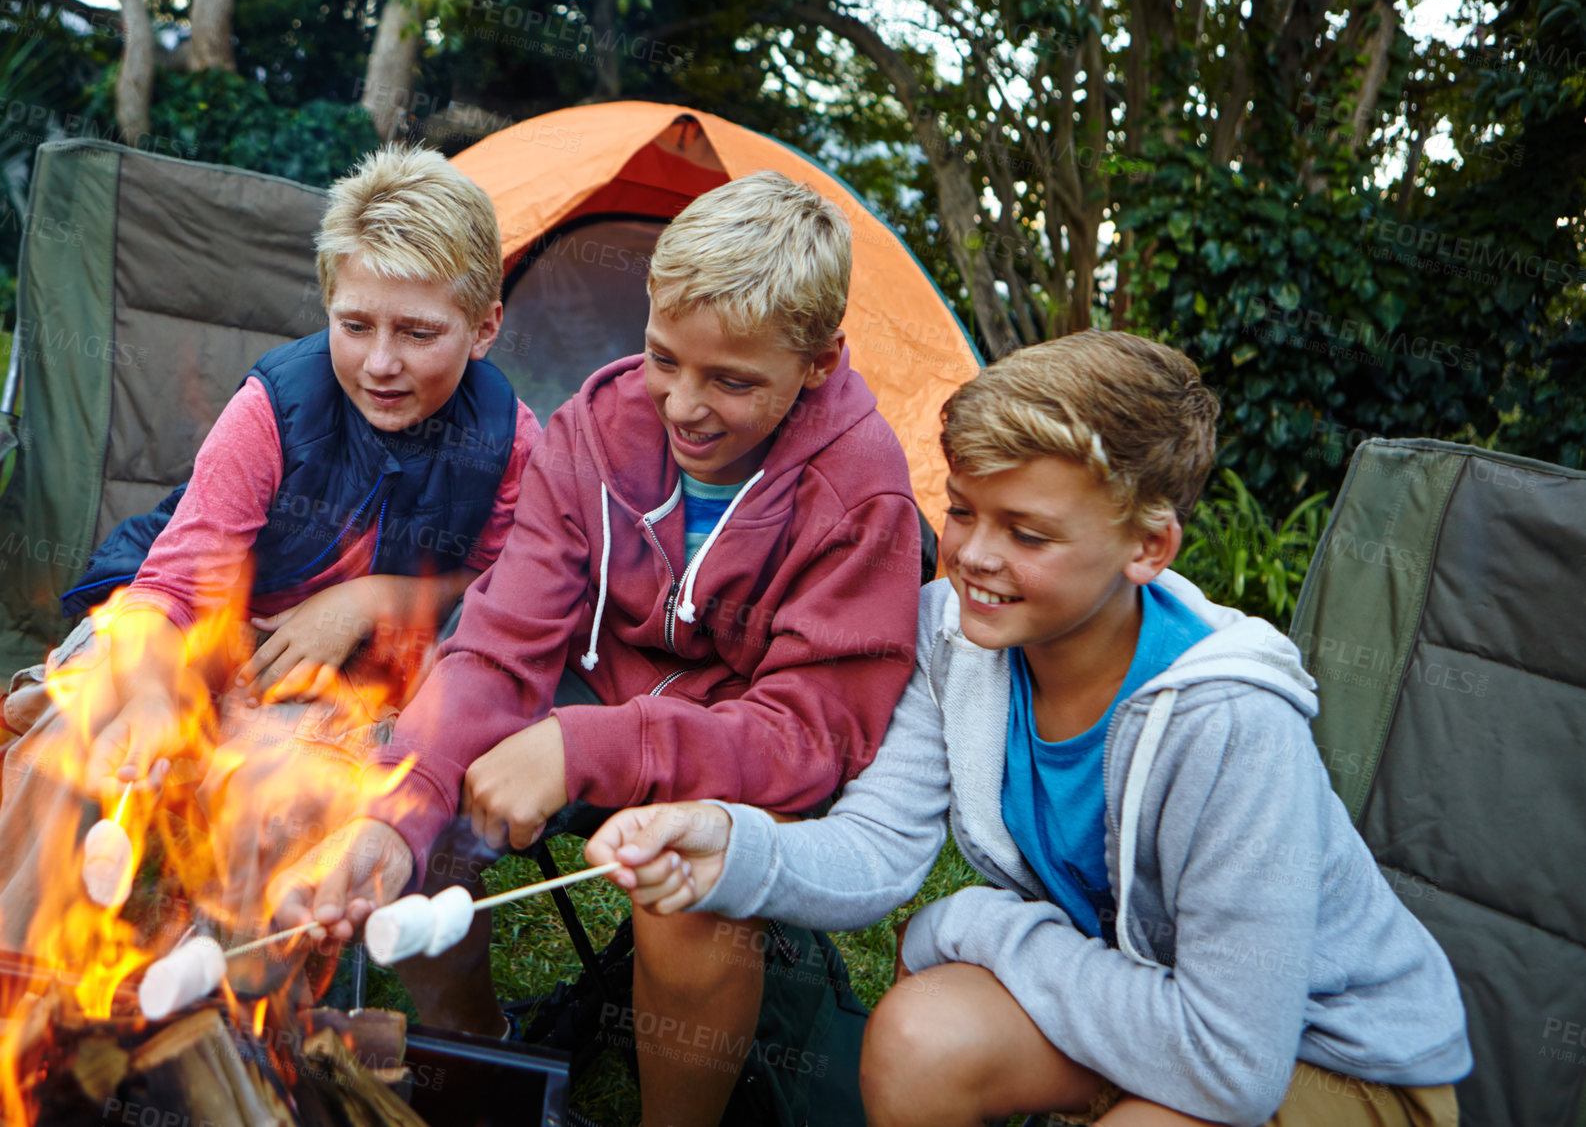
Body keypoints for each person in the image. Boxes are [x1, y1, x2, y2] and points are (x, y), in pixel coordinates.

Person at [587, 330, 1472, 1127]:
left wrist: (980, 924)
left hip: (1335, 1063)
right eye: (964, 509)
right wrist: (727, 845)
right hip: (1146, 1004)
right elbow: (879, 847)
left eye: (1029, 533)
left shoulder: (1231, 724)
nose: (973, 555)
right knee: (920, 1038)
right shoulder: (954, 641)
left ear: (1148, 549)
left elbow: (1232, 1066)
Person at [275, 170, 922, 1127]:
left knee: (689, 892)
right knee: (427, 795)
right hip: (595, 695)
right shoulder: (596, 427)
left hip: (736, 761)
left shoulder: (864, 495)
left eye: (733, 380)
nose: (685, 405)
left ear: (821, 362)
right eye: (665, 357)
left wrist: (590, 749)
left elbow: (807, 736)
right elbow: (499, 644)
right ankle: (484, 1055)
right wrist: (397, 809)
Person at [0, 143, 538, 946]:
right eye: (354, 325)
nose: (381, 362)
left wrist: (379, 597)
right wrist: (152, 696)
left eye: (418, 332)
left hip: (342, 680)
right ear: (326, 305)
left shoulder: (509, 445)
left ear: (485, 327)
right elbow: (167, 592)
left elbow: (503, 600)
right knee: (63, 744)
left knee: (281, 790)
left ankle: (219, 1019)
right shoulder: (273, 410)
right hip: (188, 622)